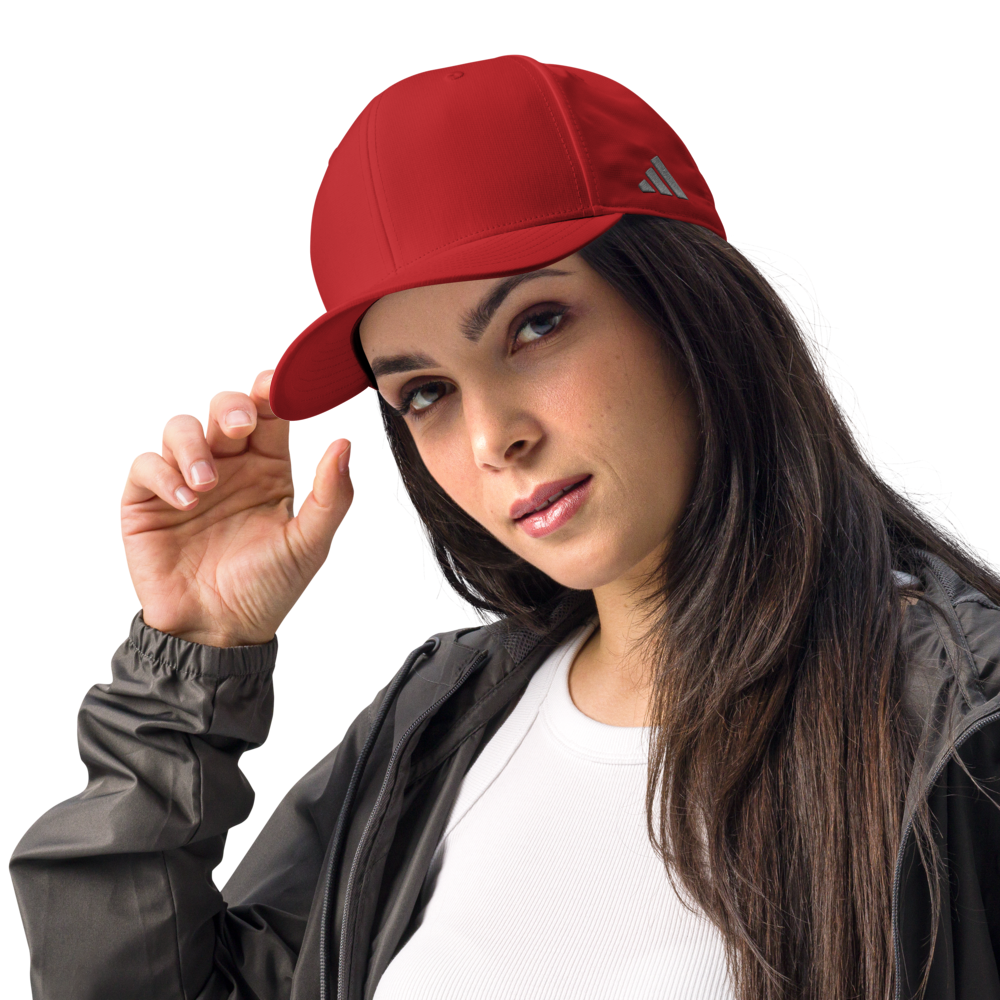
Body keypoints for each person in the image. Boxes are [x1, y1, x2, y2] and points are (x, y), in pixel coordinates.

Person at [10, 54, 999, 1000]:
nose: (492, 437)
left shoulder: (958, 727)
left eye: (534, 325)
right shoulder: (435, 725)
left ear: (690, 308)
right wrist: (191, 661)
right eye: (426, 391)